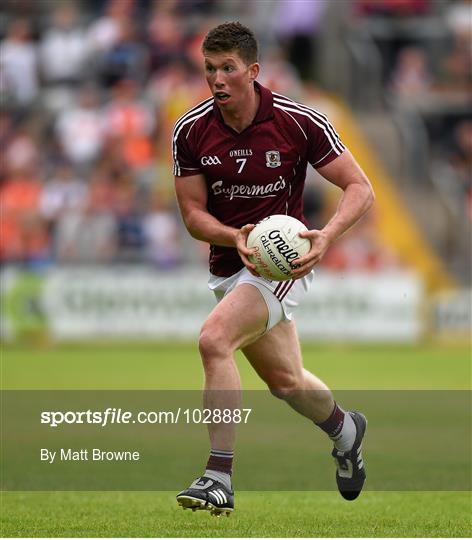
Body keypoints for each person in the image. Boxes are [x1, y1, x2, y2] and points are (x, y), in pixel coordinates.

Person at [172, 22, 374, 516]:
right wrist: (232, 236)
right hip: (229, 265)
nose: (217, 79)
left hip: (281, 262)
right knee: (286, 383)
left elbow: (360, 188)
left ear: (253, 70)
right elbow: (194, 216)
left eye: (228, 69)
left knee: (213, 339)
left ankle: (218, 476)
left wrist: (326, 235)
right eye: (210, 69)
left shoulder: (299, 121)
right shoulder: (191, 130)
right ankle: (346, 432)